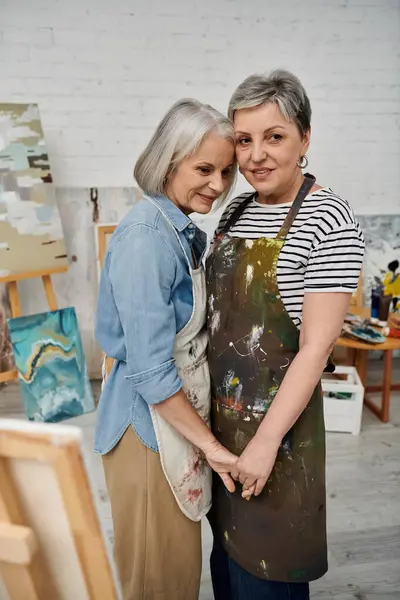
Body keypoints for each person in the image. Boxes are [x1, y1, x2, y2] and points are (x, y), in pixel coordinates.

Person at [206, 70, 365, 599]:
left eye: (274, 137)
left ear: (305, 137)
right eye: (244, 140)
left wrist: (265, 443)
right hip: (220, 434)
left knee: (268, 576)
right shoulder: (235, 210)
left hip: (280, 436)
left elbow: (317, 345)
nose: (256, 156)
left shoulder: (329, 217)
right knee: (227, 568)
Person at [94, 98, 238, 600]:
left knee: (175, 576)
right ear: (169, 161)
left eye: (225, 171)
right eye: (204, 169)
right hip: (147, 431)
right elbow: (153, 374)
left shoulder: (183, 232)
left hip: (172, 423)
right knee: (157, 584)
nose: (217, 185)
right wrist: (215, 449)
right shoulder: (146, 239)